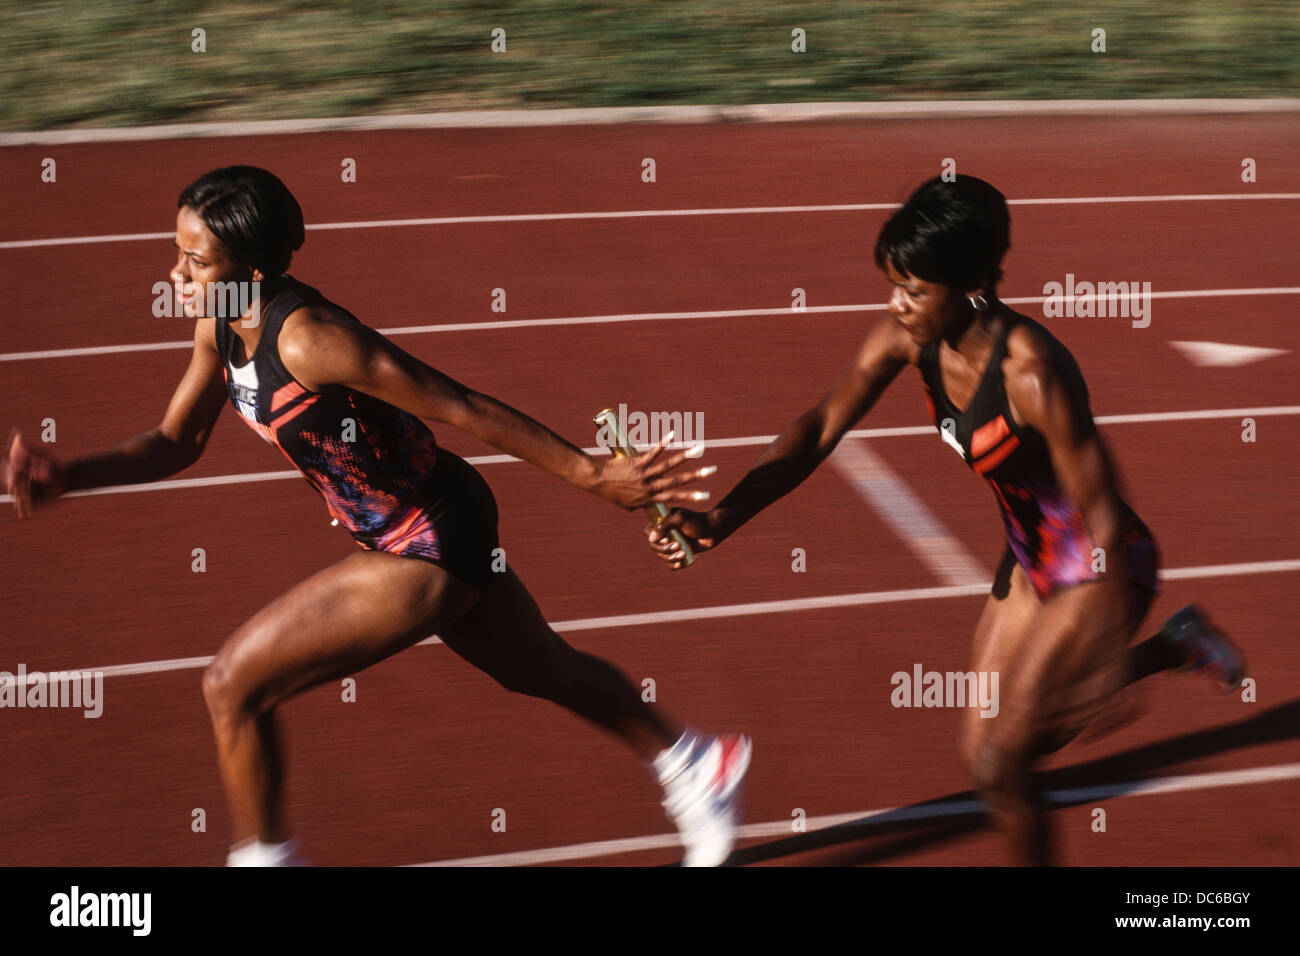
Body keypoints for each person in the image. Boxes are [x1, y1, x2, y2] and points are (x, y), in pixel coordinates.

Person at [3, 165, 751, 867]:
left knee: (233, 686)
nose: (175, 274)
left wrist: (594, 474)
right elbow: (175, 442)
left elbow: (459, 404)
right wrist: (70, 474)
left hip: (427, 538)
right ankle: (696, 764)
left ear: (254, 270)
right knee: (543, 669)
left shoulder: (315, 340)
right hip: (401, 525)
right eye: (177, 253)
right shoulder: (222, 320)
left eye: (195, 261)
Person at [647, 174, 1243, 866]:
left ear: (972, 287)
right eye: (894, 283)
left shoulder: (1034, 377)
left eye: (914, 290)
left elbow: (1104, 518)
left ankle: (1155, 649)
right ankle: (1177, 646)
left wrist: (1106, 648)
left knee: (1000, 761)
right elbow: (818, 429)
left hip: (1101, 562)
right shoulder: (909, 339)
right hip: (1029, 557)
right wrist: (721, 517)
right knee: (1003, 747)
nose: (895, 304)